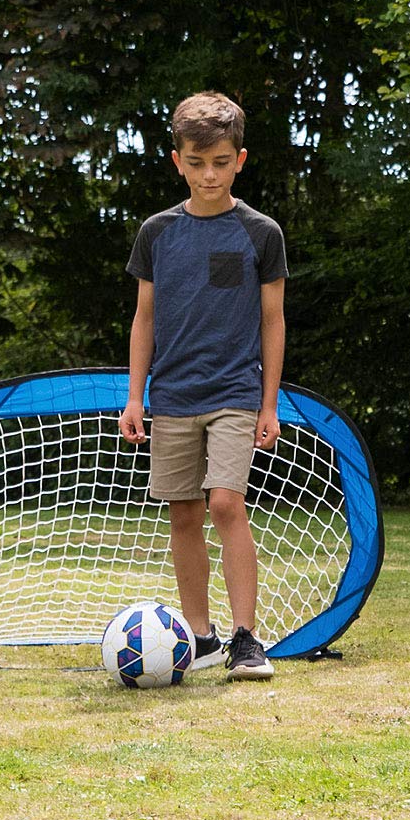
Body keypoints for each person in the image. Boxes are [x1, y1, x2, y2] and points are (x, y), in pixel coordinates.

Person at [118, 92, 289, 680]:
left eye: (220, 161)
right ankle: (202, 636)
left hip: (236, 392)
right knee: (184, 514)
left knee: (225, 503)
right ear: (177, 161)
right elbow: (145, 318)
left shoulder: (261, 233)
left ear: (239, 159)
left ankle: (246, 639)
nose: (208, 174)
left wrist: (269, 402)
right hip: (170, 397)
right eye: (197, 163)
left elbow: (273, 320)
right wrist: (136, 394)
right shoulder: (157, 232)